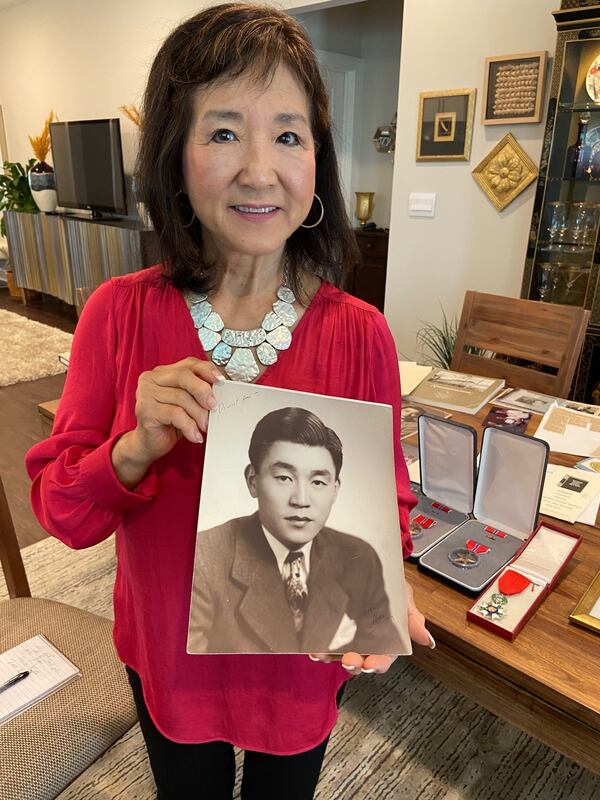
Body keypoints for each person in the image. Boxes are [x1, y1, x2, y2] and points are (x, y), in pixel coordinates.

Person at [25, 4, 434, 798]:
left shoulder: (361, 335)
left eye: (287, 134)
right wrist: (132, 448)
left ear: (318, 160)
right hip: (170, 657)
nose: (259, 168)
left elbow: (386, 497)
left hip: (299, 663)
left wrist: (390, 581)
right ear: (174, 156)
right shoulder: (119, 313)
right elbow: (61, 514)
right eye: (221, 133)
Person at [188, 407, 405, 655]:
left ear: (335, 490)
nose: (301, 500)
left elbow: (383, 641)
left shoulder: (359, 556)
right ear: (252, 481)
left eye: (318, 482)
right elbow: (189, 667)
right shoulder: (206, 557)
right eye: (284, 478)